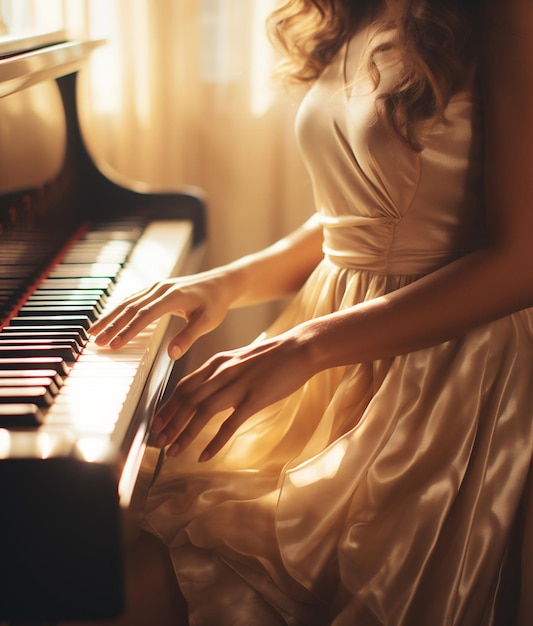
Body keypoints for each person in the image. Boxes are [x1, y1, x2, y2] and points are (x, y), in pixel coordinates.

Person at [85, 0, 533, 624]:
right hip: (334, 370)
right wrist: (225, 284)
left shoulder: (507, 16)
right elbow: (358, 215)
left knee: (149, 584)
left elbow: (522, 261)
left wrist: (305, 346)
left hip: (444, 381)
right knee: (128, 559)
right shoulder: (353, 11)